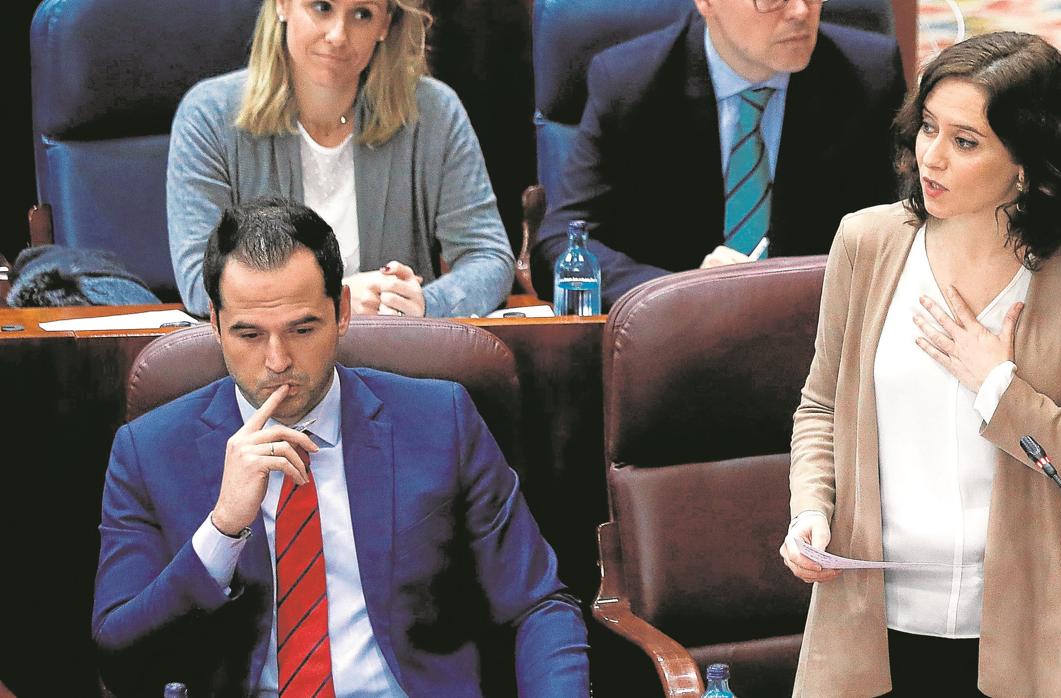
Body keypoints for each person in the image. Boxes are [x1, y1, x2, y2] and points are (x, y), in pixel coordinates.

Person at [779, 32, 1061, 696]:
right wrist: (811, 506)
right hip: (877, 624)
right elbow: (822, 408)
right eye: (928, 128)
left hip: (1035, 632)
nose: (931, 157)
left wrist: (1001, 389)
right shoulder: (866, 244)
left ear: (1025, 162)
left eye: (965, 141)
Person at [93, 198, 589, 696]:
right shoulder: (149, 452)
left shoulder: (441, 421)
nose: (277, 360)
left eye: (302, 329)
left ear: (342, 312)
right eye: (248, 333)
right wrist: (222, 531)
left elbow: (539, 604)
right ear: (216, 323)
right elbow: (120, 658)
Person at [536, 0, 905, 309]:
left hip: (814, 334)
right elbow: (559, 245)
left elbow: (903, 227)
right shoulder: (631, 82)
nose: (799, 11)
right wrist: (680, 291)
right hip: (672, 343)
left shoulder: (867, 76)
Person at [168, 0, 515, 319]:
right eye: (322, 7)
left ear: (385, 24)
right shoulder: (210, 115)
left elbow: (489, 257)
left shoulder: (434, 111)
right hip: (265, 361)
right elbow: (200, 281)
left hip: (396, 356)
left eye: (362, 14)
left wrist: (425, 303)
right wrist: (335, 297)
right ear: (283, 5)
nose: (338, 35)